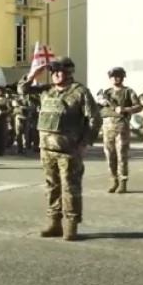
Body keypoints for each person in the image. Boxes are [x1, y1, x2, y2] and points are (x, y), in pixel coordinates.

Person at [19, 57, 102, 241]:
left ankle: (71, 225)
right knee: (51, 186)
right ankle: (54, 222)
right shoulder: (46, 91)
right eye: (53, 72)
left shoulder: (80, 92)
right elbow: (22, 90)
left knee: (70, 188)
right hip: (46, 148)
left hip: (68, 149)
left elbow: (94, 119)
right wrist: (34, 74)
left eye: (59, 72)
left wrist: (84, 143)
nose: (55, 75)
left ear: (69, 73)